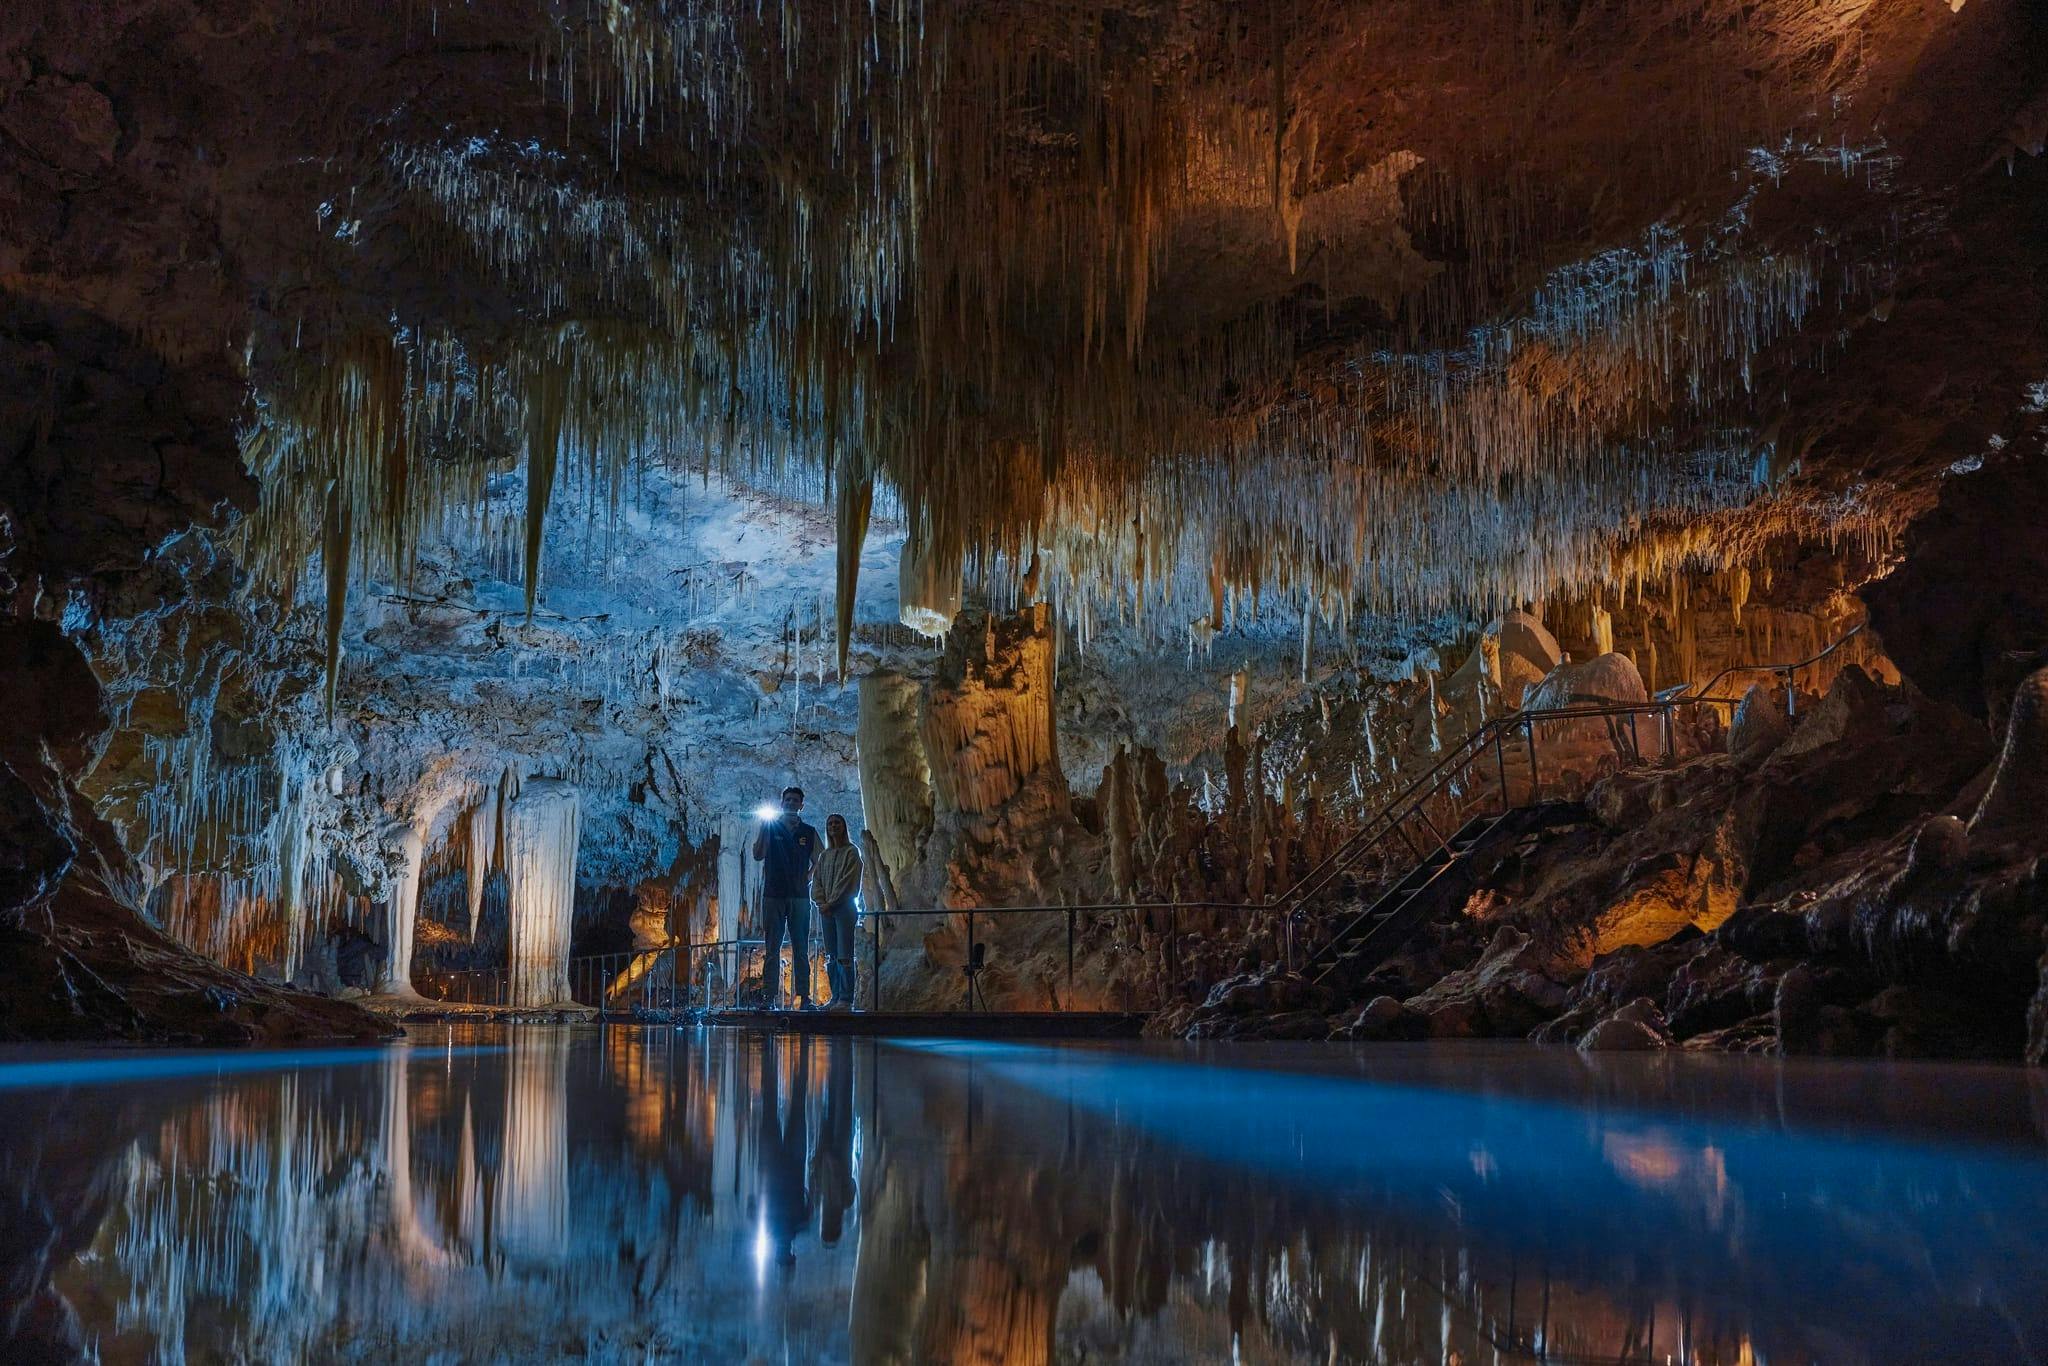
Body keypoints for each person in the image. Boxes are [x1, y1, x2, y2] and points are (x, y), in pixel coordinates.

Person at [752, 786, 820, 1008]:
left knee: (801, 947)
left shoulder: (808, 832)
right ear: (782, 804)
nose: (791, 803)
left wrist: (808, 876)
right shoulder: (771, 828)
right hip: (774, 894)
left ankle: (805, 997)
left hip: (800, 896)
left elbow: (821, 858)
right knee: (772, 947)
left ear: (801, 805)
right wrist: (764, 827)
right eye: (787, 800)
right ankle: (768, 997)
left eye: (795, 800)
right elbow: (757, 854)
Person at [810, 815, 863, 1010]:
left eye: (837, 823)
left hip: (844, 908)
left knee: (845, 954)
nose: (833, 826)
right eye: (830, 823)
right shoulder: (825, 856)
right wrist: (820, 901)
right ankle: (835, 997)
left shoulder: (852, 852)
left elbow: (848, 881)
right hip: (826, 910)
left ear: (844, 827)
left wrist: (831, 903)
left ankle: (846, 999)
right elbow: (817, 882)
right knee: (832, 954)